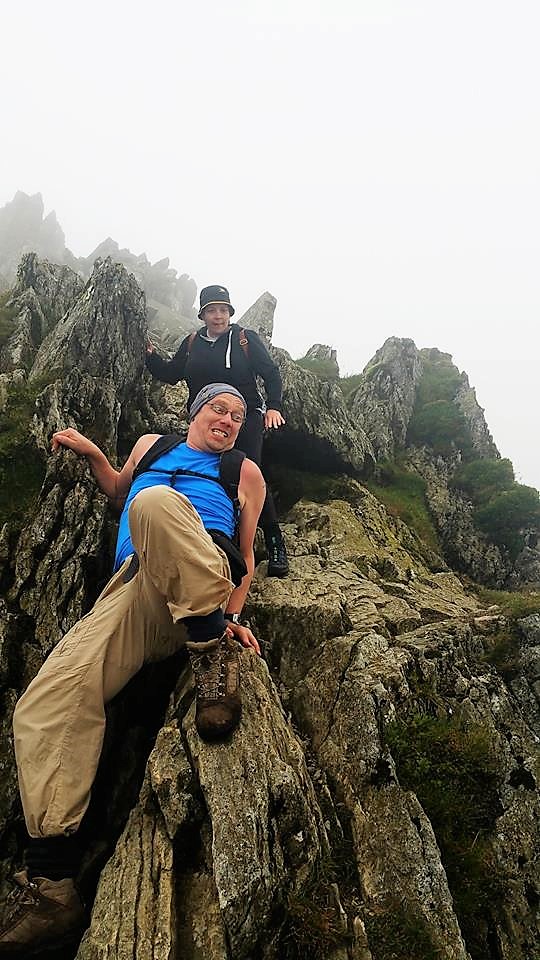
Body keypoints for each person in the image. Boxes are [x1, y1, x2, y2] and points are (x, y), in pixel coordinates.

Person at [0, 383, 266, 955]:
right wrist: (95, 454)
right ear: (195, 412)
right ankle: (51, 884)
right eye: (218, 408)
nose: (228, 419)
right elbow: (121, 492)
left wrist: (231, 616)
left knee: (155, 505)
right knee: (45, 703)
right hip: (133, 590)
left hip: (201, 574)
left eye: (238, 415)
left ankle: (210, 647)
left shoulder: (244, 471)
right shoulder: (150, 445)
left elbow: (246, 555)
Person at [146, 284, 289, 577]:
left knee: (249, 472)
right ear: (203, 315)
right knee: (206, 472)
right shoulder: (191, 343)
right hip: (204, 420)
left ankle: (274, 541)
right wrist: (150, 356)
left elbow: (271, 373)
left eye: (223, 310)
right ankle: (213, 532)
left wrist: (273, 407)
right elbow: (171, 374)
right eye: (212, 310)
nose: (218, 316)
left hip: (242, 418)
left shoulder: (245, 339)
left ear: (230, 312)